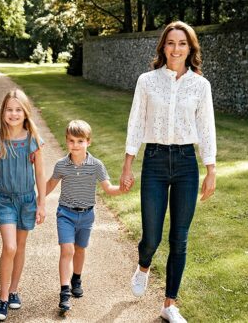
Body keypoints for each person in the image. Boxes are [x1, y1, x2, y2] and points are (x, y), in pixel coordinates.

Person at [120, 21, 216, 323]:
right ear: (163, 46)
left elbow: (207, 129)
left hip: (187, 162)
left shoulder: (201, 86)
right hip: (155, 161)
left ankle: (169, 304)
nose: (176, 48)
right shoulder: (147, 81)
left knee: (180, 237)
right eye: (171, 42)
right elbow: (136, 122)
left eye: (182, 43)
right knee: (151, 236)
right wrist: (127, 164)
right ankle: (144, 264)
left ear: (191, 48)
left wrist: (210, 169)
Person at [45, 120, 129, 315]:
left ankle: (76, 278)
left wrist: (122, 189)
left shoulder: (96, 165)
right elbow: (49, 185)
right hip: (65, 213)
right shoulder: (61, 165)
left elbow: (108, 188)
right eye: (72, 141)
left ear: (88, 142)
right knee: (67, 250)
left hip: (87, 215)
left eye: (80, 141)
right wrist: (38, 201)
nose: (75, 145)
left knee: (80, 250)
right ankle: (64, 293)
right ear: (66, 141)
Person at [0, 89, 46, 321]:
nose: (13, 113)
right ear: (3, 112)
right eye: (9, 109)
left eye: (18, 109)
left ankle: (14, 289)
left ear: (26, 113)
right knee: (9, 247)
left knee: (20, 246)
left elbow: (40, 173)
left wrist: (41, 203)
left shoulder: (33, 140)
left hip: (28, 200)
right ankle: (2, 297)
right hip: (5, 200)